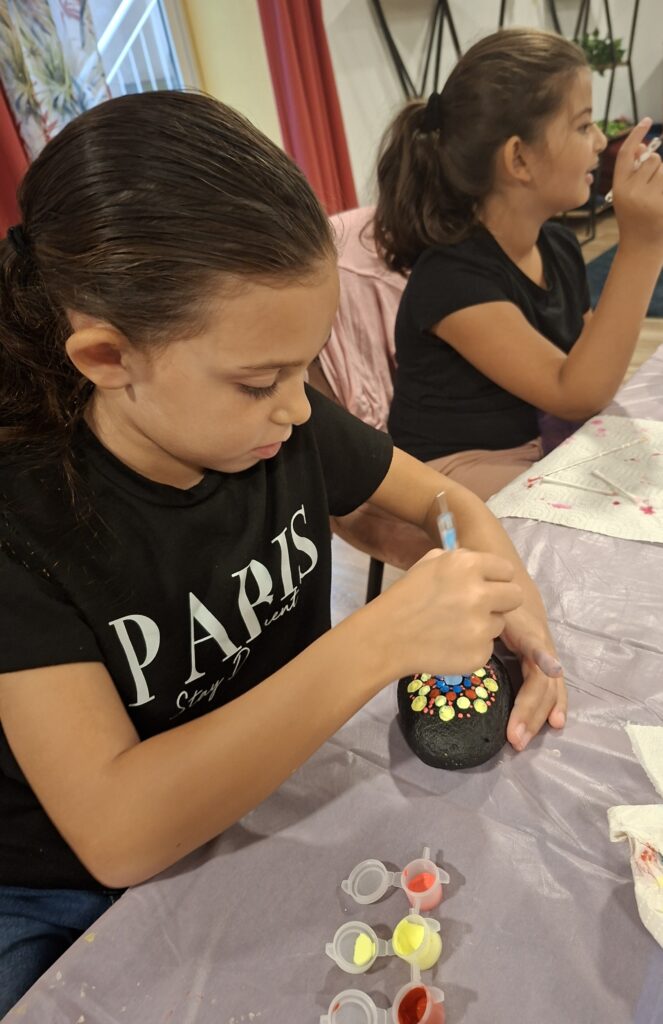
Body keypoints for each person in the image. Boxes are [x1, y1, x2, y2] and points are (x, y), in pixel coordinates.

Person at [0, 91, 563, 1012]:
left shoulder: (271, 421)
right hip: (55, 880)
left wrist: (514, 611)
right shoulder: (23, 515)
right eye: (262, 380)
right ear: (107, 358)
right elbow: (117, 832)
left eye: (306, 368)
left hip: (264, 788)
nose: (300, 408)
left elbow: (444, 499)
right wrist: (379, 641)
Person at [375, 28, 663, 500]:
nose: (598, 142)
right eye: (582, 125)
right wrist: (645, 245)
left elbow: (591, 361)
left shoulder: (558, 246)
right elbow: (576, 391)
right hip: (447, 475)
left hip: (536, 442)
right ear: (519, 159)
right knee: (609, 504)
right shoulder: (451, 280)